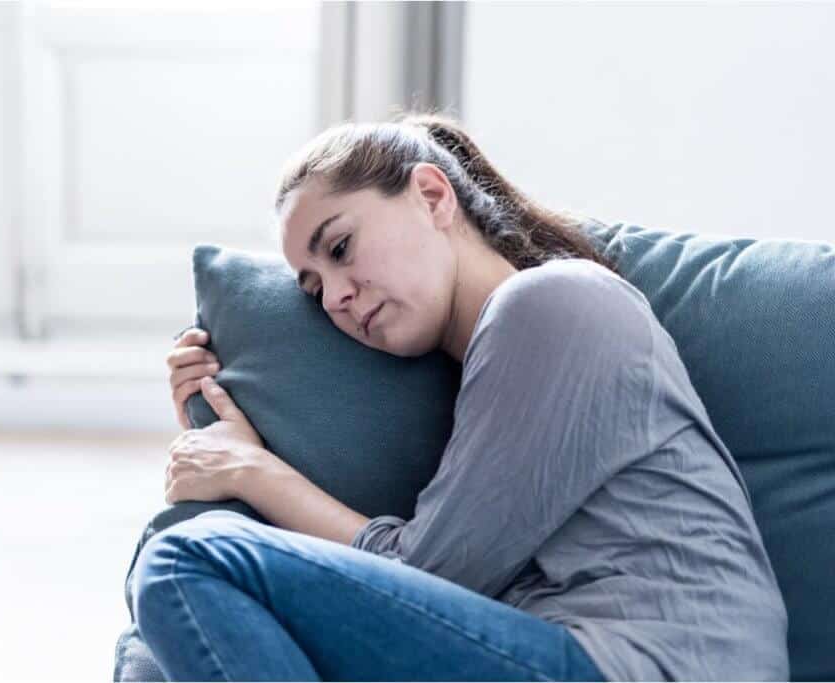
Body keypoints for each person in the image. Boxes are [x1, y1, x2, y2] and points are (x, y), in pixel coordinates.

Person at [133, 113, 789, 681]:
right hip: (569, 649)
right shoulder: (493, 362)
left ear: (431, 194)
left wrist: (252, 470)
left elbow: (427, 571)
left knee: (183, 558)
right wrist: (212, 433)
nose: (335, 295)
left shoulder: (551, 304)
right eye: (313, 289)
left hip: (646, 662)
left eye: (340, 246)